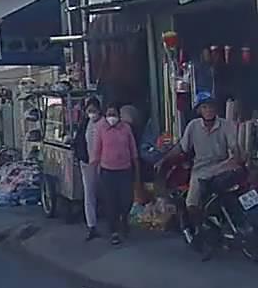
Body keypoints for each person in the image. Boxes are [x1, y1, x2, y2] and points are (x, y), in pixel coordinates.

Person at [157, 95, 244, 244]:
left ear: (216, 109)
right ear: (199, 110)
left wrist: (237, 159)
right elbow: (182, 147)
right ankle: (201, 229)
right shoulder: (193, 126)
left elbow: (234, 147)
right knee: (191, 204)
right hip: (201, 170)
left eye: (211, 107)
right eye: (204, 107)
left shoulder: (226, 125)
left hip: (222, 166)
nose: (208, 110)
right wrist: (164, 159)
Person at [90, 103, 140, 245]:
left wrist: (137, 169)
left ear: (119, 115)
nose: (111, 117)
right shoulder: (101, 129)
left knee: (126, 200)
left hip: (125, 170)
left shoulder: (126, 128)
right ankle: (114, 232)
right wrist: (94, 169)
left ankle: (123, 219)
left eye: (114, 114)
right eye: (109, 114)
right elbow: (96, 150)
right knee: (111, 202)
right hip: (107, 171)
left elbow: (133, 149)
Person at [73, 97, 102, 241]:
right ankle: (92, 226)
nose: (92, 113)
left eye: (94, 110)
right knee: (89, 195)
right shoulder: (84, 124)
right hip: (87, 164)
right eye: (89, 111)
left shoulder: (104, 124)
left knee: (107, 194)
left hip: (104, 164)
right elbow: (78, 142)